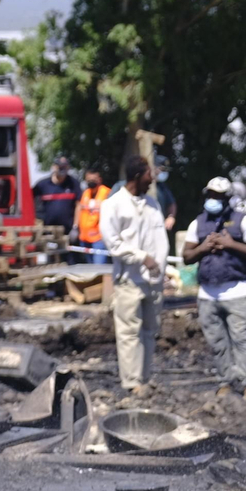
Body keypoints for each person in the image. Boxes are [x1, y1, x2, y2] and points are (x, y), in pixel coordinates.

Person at [181, 178, 246, 401]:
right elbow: (186, 256)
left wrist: (231, 245)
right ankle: (225, 382)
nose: (213, 200)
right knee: (216, 342)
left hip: (236, 291)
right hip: (207, 294)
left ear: (228, 198)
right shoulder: (197, 223)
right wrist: (204, 247)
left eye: (218, 196)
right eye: (210, 195)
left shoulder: (242, 221)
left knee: (242, 339)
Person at [100, 154, 170, 394]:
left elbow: (161, 240)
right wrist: (142, 257)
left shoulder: (152, 204)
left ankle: (144, 377)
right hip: (129, 280)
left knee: (150, 331)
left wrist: (161, 267)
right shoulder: (114, 205)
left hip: (153, 280)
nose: (153, 179)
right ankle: (132, 382)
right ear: (138, 176)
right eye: (150, 174)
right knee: (130, 332)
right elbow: (114, 244)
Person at [71, 167, 112, 264]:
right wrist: (75, 227)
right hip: (84, 238)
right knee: (89, 269)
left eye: (93, 180)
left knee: (98, 268)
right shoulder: (86, 193)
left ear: (99, 180)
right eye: (89, 180)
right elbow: (79, 208)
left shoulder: (107, 193)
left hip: (99, 238)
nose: (91, 183)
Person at [33, 156, 80, 233]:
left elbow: (79, 205)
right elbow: (29, 201)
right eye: (60, 167)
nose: (62, 169)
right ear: (54, 167)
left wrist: (75, 227)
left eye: (65, 167)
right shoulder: (42, 185)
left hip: (68, 232)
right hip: (46, 231)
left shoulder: (73, 184)